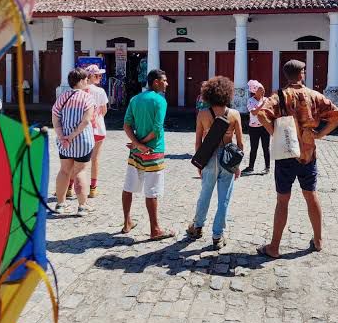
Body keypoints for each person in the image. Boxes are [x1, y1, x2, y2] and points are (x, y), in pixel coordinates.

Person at [256, 60, 338, 257]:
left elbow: (261, 114)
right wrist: (320, 135)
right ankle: (319, 240)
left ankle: (274, 247)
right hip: (308, 153)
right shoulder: (313, 96)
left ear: (286, 75)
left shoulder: (279, 96)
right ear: (302, 74)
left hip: (286, 152)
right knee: (311, 195)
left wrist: (274, 133)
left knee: (283, 200)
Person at [186, 76, 244, 249]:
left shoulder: (203, 114)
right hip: (228, 158)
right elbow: (240, 143)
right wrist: (237, 165)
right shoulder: (234, 114)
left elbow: (198, 141)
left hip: (209, 157)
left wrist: (199, 163)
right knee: (224, 198)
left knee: (205, 194)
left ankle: (197, 226)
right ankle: (218, 235)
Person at [122, 68, 175, 240]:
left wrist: (137, 144)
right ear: (156, 82)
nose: (167, 83)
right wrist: (144, 145)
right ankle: (155, 229)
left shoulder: (135, 99)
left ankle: (126, 222)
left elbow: (126, 125)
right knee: (152, 190)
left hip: (136, 153)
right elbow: (157, 130)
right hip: (154, 151)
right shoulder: (160, 101)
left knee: (129, 187)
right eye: (164, 80)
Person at [52, 68, 96, 216]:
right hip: (82, 141)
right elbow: (86, 120)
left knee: (64, 171)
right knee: (80, 171)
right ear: (82, 81)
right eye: (86, 79)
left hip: (64, 141)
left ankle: (60, 204)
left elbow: (55, 117)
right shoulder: (87, 98)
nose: (87, 82)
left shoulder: (62, 97)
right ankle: (82, 206)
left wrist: (62, 136)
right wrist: (72, 135)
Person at [84, 64, 109, 198]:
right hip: (98, 128)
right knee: (95, 159)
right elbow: (104, 110)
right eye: (98, 75)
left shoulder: (80, 90)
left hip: (82, 129)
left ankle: (70, 187)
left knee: (77, 159)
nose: (100, 77)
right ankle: (93, 189)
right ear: (92, 76)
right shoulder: (100, 92)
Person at [242, 80, 270, 174]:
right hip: (253, 128)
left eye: (263, 89)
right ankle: (251, 167)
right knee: (254, 148)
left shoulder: (266, 99)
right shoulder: (250, 100)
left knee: (266, 147)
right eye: (260, 89)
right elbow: (254, 112)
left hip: (264, 126)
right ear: (255, 91)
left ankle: (267, 167)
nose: (263, 91)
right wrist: (262, 104)